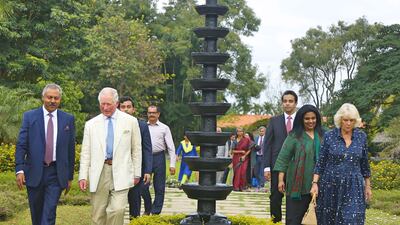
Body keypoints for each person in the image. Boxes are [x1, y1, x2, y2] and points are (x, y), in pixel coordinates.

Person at [78, 87, 142, 225]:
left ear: (117, 103)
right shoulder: (91, 124)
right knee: (98, 214)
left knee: (118, 209)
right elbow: (86, 152)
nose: (105, 107)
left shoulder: (130, 121)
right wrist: (82, 175)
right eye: (102, 104)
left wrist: (137, 173)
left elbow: (136, 149)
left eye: (109, 104)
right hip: (99, 172)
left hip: (122, 170)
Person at [15, 84, 76, 225]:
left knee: (49, 214)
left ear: (60, 100)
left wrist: (69, 176)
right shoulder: (30, 117)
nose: (52, 101)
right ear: (43, 97)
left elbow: (70, 149)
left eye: (56, 98)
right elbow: (21, 145)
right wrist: (19, 169)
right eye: (50, 97)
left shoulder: (68, 119)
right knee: (36, 215)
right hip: (34, 172)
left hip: (56, 173)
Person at [310, 103, 372, 224]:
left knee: (352, 219)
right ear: (340, 120)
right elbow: (321, 162)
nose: (348, 123)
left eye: (351, 120)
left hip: (354, 185)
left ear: (356, 121)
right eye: (345, 120)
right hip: (330, 184)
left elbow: (364, 163)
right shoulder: (329, 136)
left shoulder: (361, 137)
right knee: (330, 220)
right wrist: (315, 183)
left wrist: (368, 186)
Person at [273, 105, 324, 225]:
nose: (311, 121)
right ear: (301, 119)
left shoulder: (323, 135)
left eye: (313, 118)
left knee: (317, 218)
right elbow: (283, 158)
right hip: (297, 185)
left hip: (320, 184)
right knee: (294, 218)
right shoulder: (294, 136)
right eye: (307, 118)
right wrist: (281, 180)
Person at [263, 90, 298, 222]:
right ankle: (275, 221)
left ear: (295, 103)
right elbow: (267, 145)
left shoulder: (301, 121)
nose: (287, 104)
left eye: (290, 101)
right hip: (276, 165)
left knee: (293, 197)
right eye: (285, 101)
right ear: (282, 103)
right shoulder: (274, 121)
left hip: (296, 164)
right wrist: (266, 166)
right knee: (276, 196)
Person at [119, 96, 153, 218]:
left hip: (136, 169)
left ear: (133, 109)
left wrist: (148, 170)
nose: (126, 109)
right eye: (123, 107)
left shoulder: (142, 125)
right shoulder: (114, 125)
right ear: (118, 109)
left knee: (135, 199)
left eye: (129, 107)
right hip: (118, 168)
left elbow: (147, 149)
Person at [146, 105, 176, 214]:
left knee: (159, 187)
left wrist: (172, 164)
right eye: (149, 112)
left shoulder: (164, 128)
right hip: (146, 158)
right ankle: (148, 207)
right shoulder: (143, 127)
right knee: (143, 186)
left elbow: (171, 147)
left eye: (154, 113)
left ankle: (155, 211)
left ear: (158, 114)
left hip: (159, 157)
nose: (151, 115)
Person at [232, 127, 252, 191]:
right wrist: (240, 151)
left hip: (244, 158)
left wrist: (244, 155)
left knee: (243, 172)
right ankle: (236, 187)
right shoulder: (235, 140)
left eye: (241, 131)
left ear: (243, 132)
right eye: (238, 131)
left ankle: (242, 186)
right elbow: (232, 151)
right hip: (236, 158)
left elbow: (249, 149)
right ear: (236, 132)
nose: (239, 133)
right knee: (237, 172)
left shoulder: (247, 139)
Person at [254, 126, 266, 191]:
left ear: (265, 132)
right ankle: (258, 183)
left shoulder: (267, 139)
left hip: (264, 156)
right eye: (260, 131)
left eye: (262, 131)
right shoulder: (256, 138)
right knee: (256, 171)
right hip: (257, 156)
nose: (261, 132)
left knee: (262, 171)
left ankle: (261, 184)